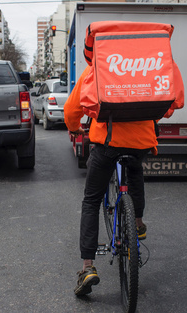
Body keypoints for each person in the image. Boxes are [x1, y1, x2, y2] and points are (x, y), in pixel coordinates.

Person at [64, 65, 160, 296]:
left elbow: (71, 109)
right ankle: (137, 223)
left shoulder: (96, 68)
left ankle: (88, 267)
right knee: (134, 172)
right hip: (141, 141)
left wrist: (75, 128)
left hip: (107, 143)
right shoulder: (147, 65)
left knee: (91, 200)